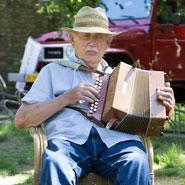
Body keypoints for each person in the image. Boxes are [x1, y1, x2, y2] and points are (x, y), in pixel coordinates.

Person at [15, 6, 175, 185]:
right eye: (86, 36)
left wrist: (165, 108)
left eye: (99, 37)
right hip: (68, 144)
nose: (92, 42)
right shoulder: (52, 71)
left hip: (117, 145)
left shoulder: (125, 78)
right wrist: (67, 98)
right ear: (72, 40)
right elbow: (22, 119)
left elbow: (150, 131)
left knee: (136, 161)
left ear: (107, 43)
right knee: (55, 163)